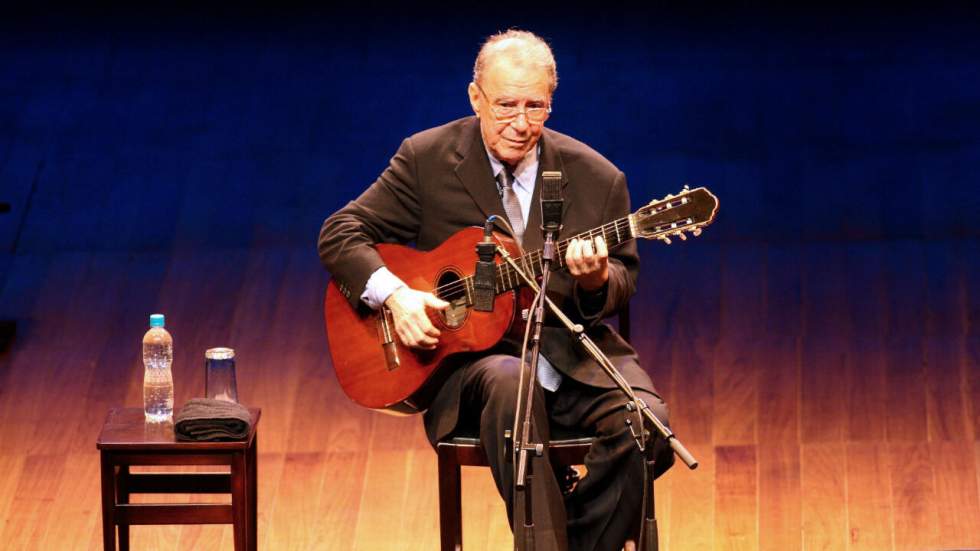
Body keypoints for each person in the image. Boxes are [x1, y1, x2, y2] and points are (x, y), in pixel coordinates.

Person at [319, 29, 674, 551]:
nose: (521, 122)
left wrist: (596, 279)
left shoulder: (596, 177)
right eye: (506, 105)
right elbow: (340, 232)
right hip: (473, 372)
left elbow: (622, 281)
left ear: (552, 103)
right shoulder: (427, 158)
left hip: (569, 354)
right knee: (513, 380)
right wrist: (397, 296)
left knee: (648, 427)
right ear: (475, 98)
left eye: (535, 106)